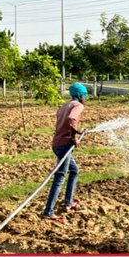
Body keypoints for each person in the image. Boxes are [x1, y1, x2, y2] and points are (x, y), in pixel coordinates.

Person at [43, 82, 88, 221]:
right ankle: (48, 211)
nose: (85, 97)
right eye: (84, 95)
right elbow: (71, 119)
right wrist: (74, 136)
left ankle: (69, 202)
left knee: (74, 171)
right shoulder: (78, 105)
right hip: (64, 145)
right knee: (60, 176)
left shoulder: (64, 106)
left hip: (57, 144)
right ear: (80, 95)